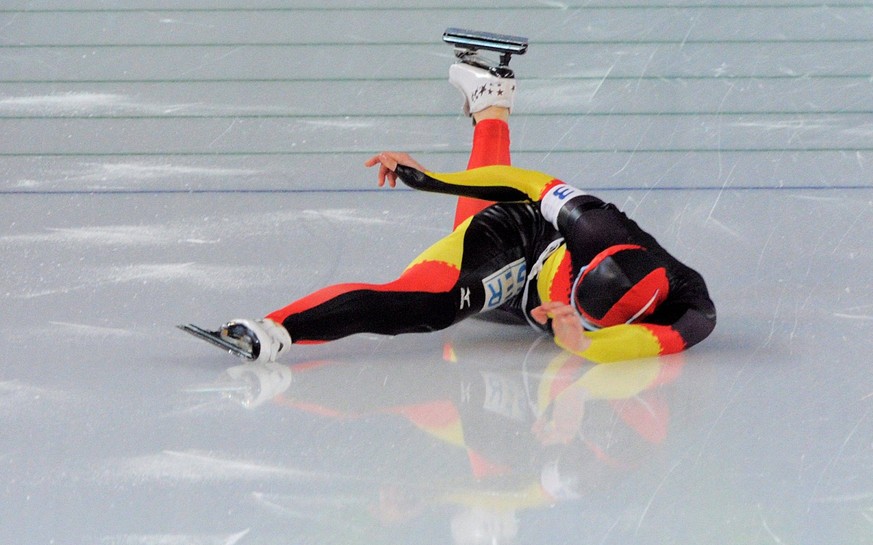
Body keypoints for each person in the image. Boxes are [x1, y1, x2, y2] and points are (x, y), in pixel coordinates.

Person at [209, 59, 716, 365]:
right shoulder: (595, 226)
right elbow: (522, 184)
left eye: (579, 310)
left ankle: (488, 104)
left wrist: (585, 344)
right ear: (590, 258)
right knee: (431, 304)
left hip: (525, 301)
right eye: (572, 290)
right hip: (524, 240)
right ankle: (274, 329)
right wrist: (430, 180)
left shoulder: (693, 309)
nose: (562, 305)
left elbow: (648, 346)